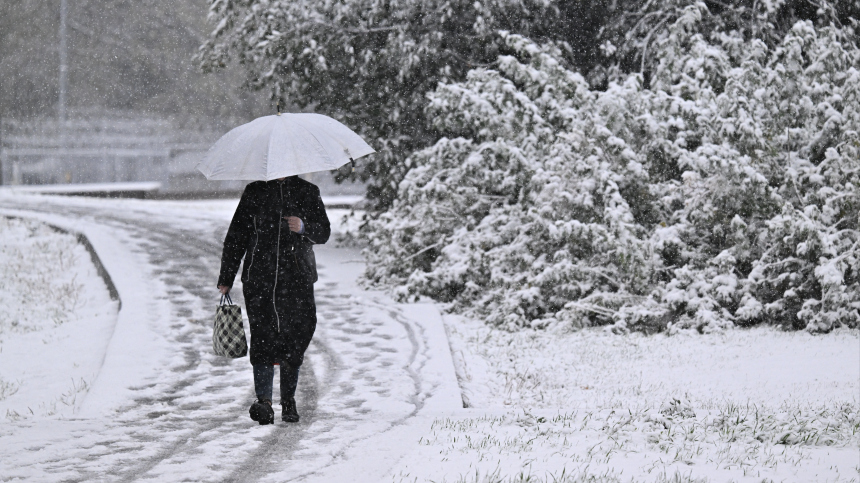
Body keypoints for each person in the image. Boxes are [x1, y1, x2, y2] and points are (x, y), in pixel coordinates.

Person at [217, 176, 330, 425]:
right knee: (263, 335)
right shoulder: (255, 192)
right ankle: (264, 402)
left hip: (298, 278)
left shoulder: (307, 191)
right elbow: (237, 236)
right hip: (260, 278)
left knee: (297, 334)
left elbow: (324, 232)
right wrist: (227, 276)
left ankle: (288, 399)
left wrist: (303, 227)